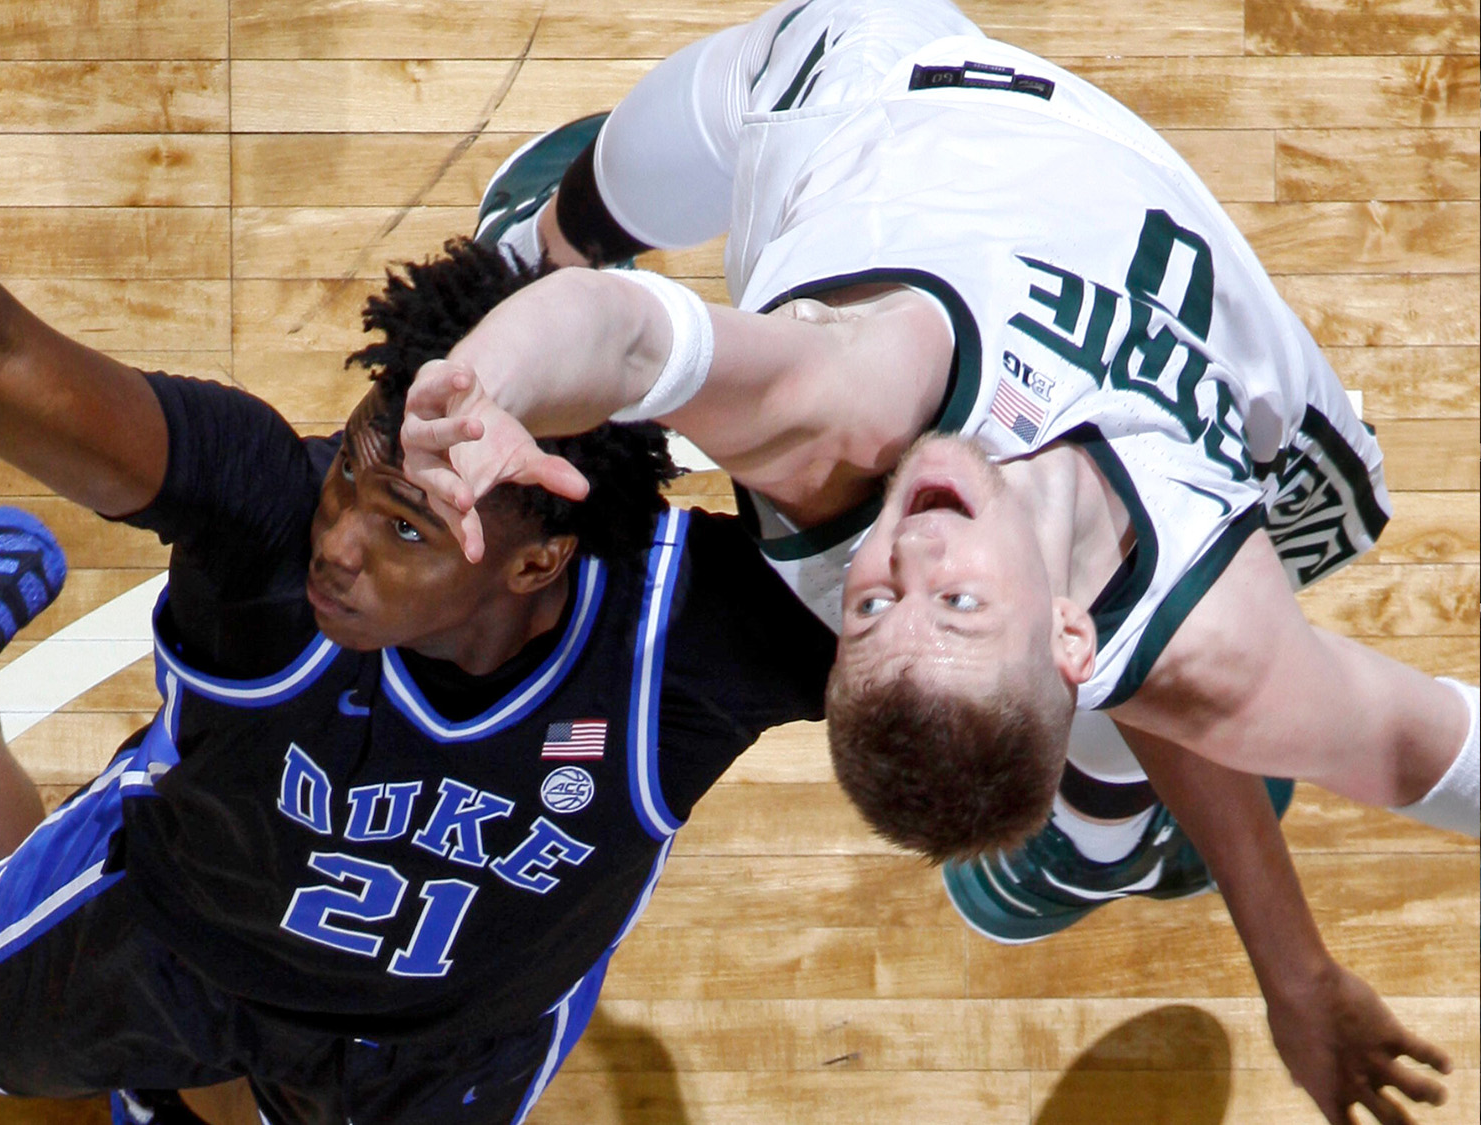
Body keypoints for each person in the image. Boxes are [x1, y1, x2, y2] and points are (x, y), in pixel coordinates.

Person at [0, 35, 841, 1125]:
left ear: (544, 557)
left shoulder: (699, 630)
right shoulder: (267, 519)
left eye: (407, 533)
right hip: (194, 917)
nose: (341, 544)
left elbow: (993, 636)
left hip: (462, 1022)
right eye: (351, 484)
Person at [387, 2, 1473, 1122]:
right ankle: (1099, 839)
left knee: (642, 167)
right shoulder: (1217, 647)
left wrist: (489, 381)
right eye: (950, 598)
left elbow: (622, 334)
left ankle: (540, 230)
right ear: (1068, 634)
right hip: (1007, 143)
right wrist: (1296, 977)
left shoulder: (837, 431)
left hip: (884, 103)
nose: (905, 552)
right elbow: (1381, 735)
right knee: (1172, 692)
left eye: (867, 609)